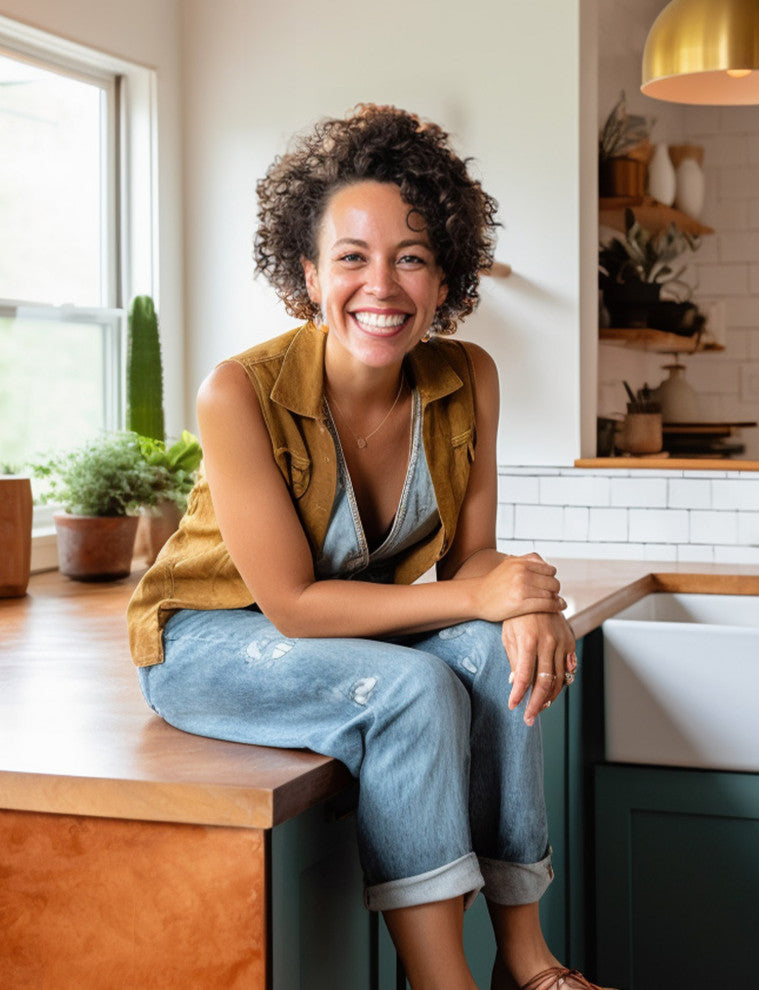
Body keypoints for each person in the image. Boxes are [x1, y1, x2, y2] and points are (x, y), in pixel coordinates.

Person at [126, 105, 615, 990]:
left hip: (342, 631)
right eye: (351, 257)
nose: (380, 285)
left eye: (412, 257)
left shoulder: (468, 378)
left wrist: (520, 599)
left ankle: (528, 964)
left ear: (444, 278)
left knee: (488, 649)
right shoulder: (238, 391)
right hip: (208, 640)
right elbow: (293, 606)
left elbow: (473, 558)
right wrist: (483, 596)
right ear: (309, 274)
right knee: (415, 687)